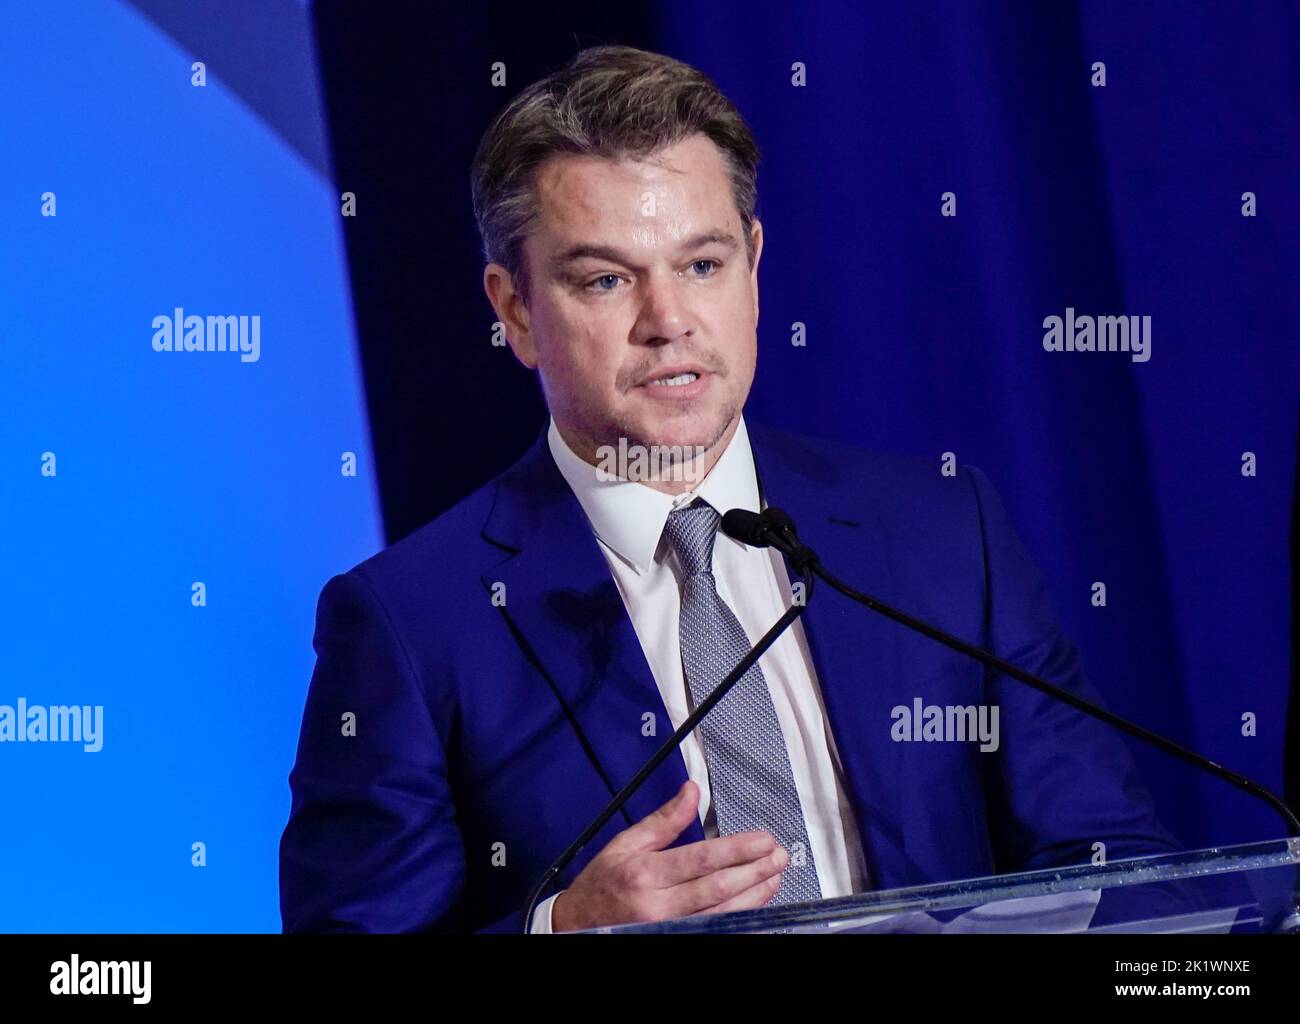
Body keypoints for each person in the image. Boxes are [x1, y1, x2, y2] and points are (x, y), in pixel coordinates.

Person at [278, 44, 1180, 934]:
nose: (668, 322)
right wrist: (554, 934)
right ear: (514, 311)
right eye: (605, 279)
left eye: (703, 265)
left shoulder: (942, 535)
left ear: (753, 265)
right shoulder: (409, 625)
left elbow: (1114, 866)